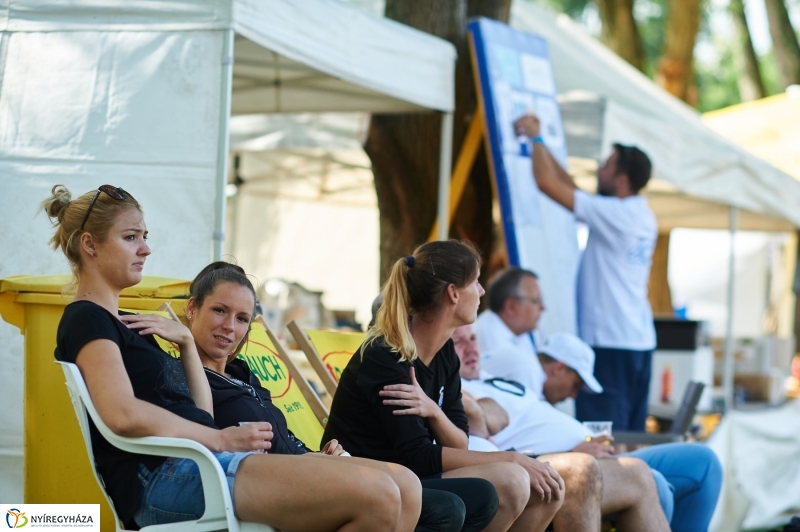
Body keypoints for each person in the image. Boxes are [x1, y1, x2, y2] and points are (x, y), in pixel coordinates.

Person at [46, 184, 420, 532]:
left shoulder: (127, 322)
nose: (145, 249)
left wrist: (187, 345)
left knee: (406, 485)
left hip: (199, 465)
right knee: (380, 495)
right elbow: (121, 414)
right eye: (131, 237)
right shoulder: (87, 317)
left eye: (145, 237)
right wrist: (220, 438)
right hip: (164, 477)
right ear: (90, 245)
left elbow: (201, 413)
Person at [324, 240, 658, 532]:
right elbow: (418, 457)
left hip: (409, 475)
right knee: (515, 479)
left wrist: (434, 411)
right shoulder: (386, 357)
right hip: (378, 478)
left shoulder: (444, 355)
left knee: (546, 488)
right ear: (453, 293)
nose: (482, 292)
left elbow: (460, 439)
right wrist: (513, 459)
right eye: (476, 282)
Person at [185, 261, 491, 532]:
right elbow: (205, 434)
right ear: (192, 309)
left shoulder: (242, 373)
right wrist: (186, 346)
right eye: (219, 310)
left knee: (422, 489)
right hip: (263, 480)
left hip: (304, 465)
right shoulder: (182, 374)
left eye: (242, 318)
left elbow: (281, 438)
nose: (230, 326)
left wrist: (318, 454)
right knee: (433, 506)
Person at [454, 324, 722, 532]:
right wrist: (572, 451)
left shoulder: (493, 380)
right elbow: (487, 431)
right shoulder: (460, 389)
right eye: (458, 342)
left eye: (474, 338)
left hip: (593, 458)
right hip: (558, 465)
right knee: (655, 479)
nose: (471, 349)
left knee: (702, 460)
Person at [514, 114, 658, 432]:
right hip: (637, 340)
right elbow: (573, 189)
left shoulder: (617, 215)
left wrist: (536, 139)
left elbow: (547, 184)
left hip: (610, 341)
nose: (599, 170)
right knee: (630, 433)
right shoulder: (638, 213)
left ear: (621, 179)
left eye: (606, 166)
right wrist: (545, 147)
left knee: (601, 435)